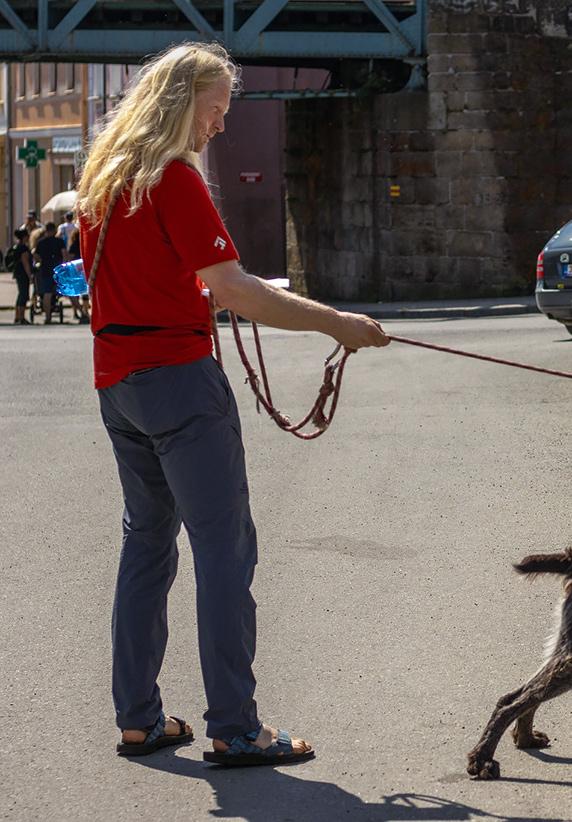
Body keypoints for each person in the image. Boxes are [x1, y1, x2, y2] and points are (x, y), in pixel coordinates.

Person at [76, 42, 389, 764]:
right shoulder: (173, 177)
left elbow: (145, 276)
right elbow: (237, 289)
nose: (220, 125)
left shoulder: (106, 177)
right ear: (183, 102)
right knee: (225, 549)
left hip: (117, 383)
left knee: (146, 544)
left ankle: (139, 718)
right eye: (215, 110)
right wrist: (337, 323)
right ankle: (236, 727)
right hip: (179, 382)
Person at [33, 220, 66, 324]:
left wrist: (40, 261)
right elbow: (64, 254)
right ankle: (81, 312)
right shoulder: (59, 242)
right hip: (58, 269)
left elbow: (36, 257)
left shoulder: (41, 243)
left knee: (46, 294)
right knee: (61, 289)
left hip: (45, 269)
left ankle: (48, 317)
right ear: (54, 230)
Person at [6, 228, 33, 324]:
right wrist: (30, 275)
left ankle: (17, 316)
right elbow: (25, 262)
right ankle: (21, 317)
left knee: (20, 294)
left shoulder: (16, 247)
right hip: (23, 274)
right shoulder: (24, 248)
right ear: (25, 237)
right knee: (24, 295)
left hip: (17, 273)